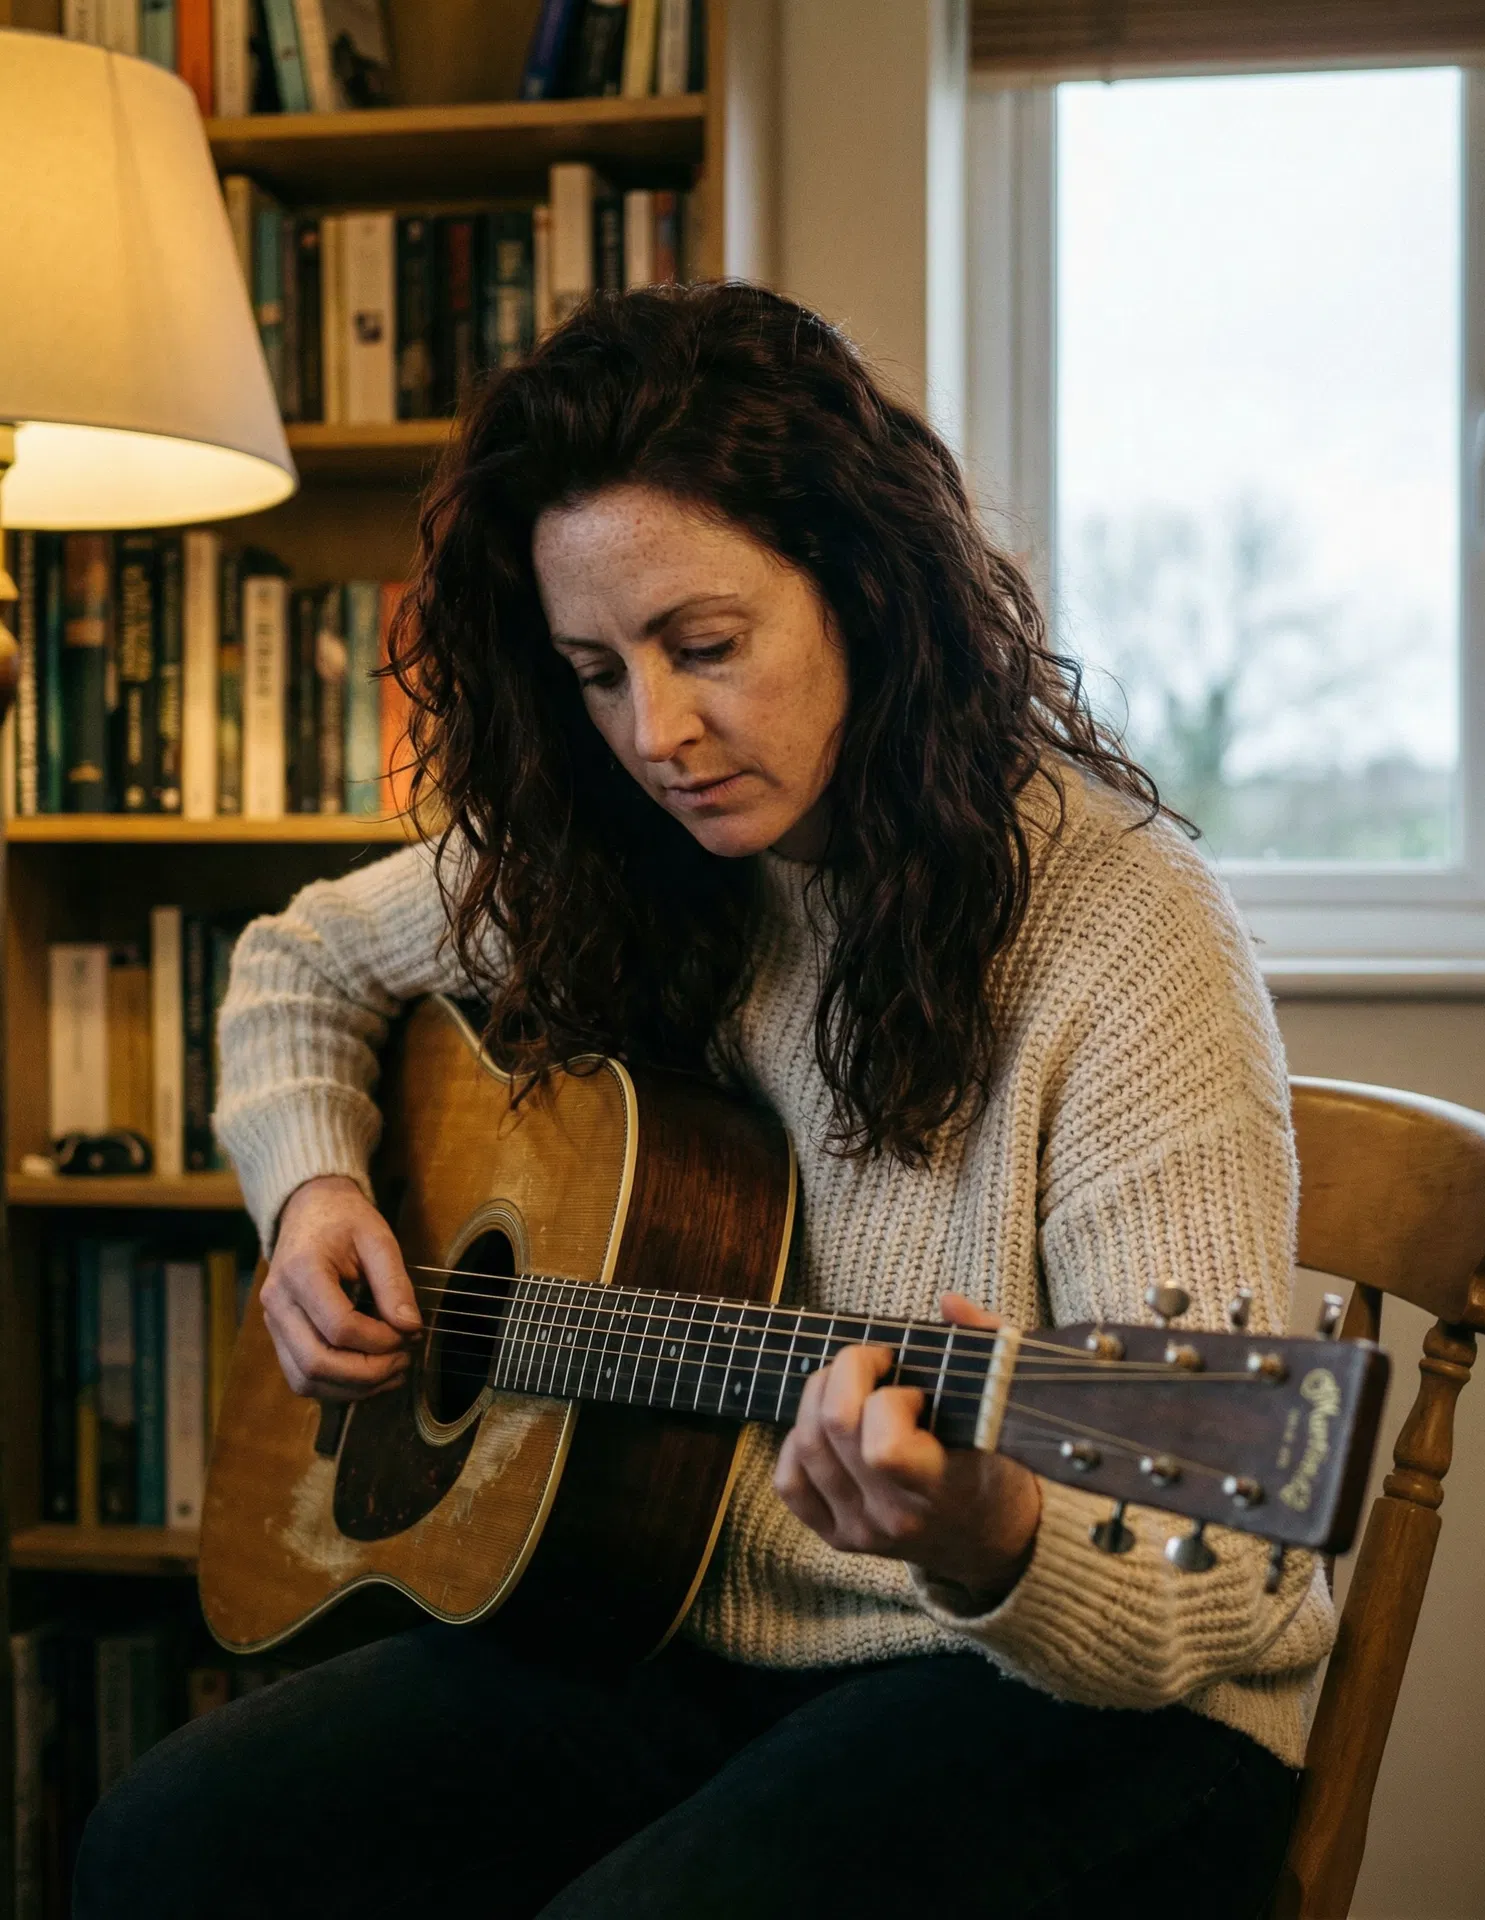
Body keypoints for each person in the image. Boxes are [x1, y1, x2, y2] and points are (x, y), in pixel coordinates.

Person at [74, 282, 1323, 1919]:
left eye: (704, 647)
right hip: (685, 1632)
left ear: (864, 592)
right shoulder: (625, 849)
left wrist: (984, 1529)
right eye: (593, 671)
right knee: (169, 1842)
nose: (654, 733)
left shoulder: (1115, 926)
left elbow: (1213, 1573)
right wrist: (311, 1192)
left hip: (1081, 1698)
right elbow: (300, 964)